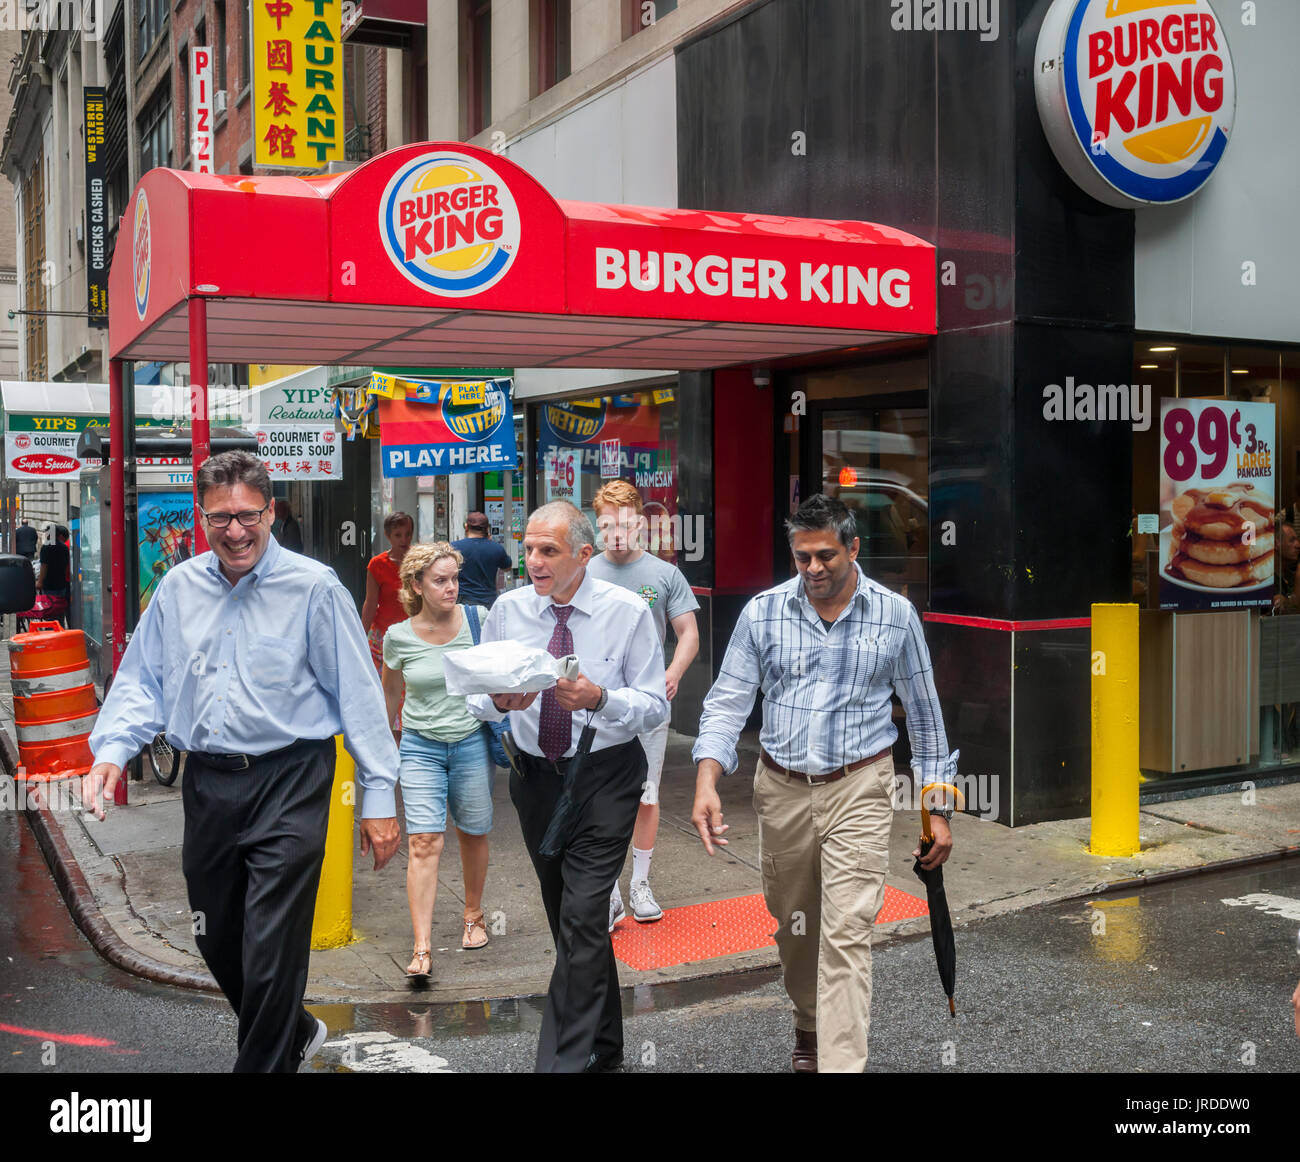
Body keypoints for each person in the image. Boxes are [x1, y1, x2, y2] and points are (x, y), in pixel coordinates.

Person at [82, 451, 400, 1073]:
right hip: (208, 783)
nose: (235, 531)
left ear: (271, 511)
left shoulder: (314, 588)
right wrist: (112, 753)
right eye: (220, 518)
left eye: (247, 516)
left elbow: (358, 696)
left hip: (293, 777)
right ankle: (295, 1029)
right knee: (214, 932)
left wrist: (379, 799)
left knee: (273, 942)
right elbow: (144, 680)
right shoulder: (178, 588)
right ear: (202, 518)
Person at [691, 493, 957, 1074]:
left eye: (826, 556)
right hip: (780, 788)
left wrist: (939, 810)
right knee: (794, 926)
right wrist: (707, 779)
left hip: (859, 785)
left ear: (854, 547)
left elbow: (927, 716)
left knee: (846, 932)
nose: (813, 569)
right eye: (802, 557)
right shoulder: (763, 613)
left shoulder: (895, 615)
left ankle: (839, 1062)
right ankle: (809, 1022)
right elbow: (728, 701)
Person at [467, 500, 668, 1072]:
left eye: (548, 550)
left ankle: (558, 1063)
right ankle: (607, 1050)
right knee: (567, 919)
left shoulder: (627, 611)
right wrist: (500, 701)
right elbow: (480, 696)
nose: (533, 560)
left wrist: (600, 698)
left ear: (584, 554)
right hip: (535, 781)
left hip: (605, 778)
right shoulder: (507, 609)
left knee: (583, 915)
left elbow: (654, 706)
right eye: (528, 548)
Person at [586, 480, 699, 927]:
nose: (615, 532)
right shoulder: (585, 572)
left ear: (639, 523)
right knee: (598, 796)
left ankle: (641, 883)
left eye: (624, 523)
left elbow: (689, 633)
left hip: (649, 705)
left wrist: (673, 672)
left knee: (646, 796)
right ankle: (610, 891)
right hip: (595, 705)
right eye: (606, 524)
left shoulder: (664, 575)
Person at [381, 542, 495, 974]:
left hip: (470, 742)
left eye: (455, 579)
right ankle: (422, 946)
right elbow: (391, 692)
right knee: (424, 841)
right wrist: (381, 749)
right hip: (419, 746)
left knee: (473, 831)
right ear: (417, 586)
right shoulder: (399, 636)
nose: (452, 588)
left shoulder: (478, 621)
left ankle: (473, 914)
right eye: (440, 580)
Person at [362, 511, 414, 674]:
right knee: (380, 687)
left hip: (412, 635)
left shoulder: (421, 562)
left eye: (408, 534)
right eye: (398, 535)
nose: (404, 540)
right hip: (382, 636)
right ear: (388, 536)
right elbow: (370, 603)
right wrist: (361, 634)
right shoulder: (377, 565)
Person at [451, 511, 511, 608]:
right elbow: (507, 567)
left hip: (463, 601)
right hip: (488, 601)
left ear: (466, 527)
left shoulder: (454, 547)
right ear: (487, 529)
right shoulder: (496, 548)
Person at [37, 524, 71, 599]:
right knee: (59, 605)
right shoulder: (64, 547)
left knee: (49, 606)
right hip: (61, 583)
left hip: (49, 584)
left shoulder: (46, 547)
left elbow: (44, 566)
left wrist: (40, 581)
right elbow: (66, 565)